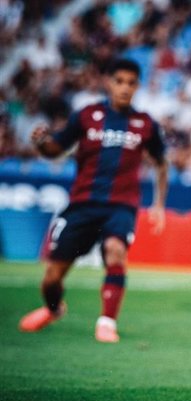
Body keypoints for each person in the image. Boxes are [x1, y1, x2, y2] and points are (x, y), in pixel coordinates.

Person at [18, 58, 168, 343]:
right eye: (119, 81)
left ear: (137, 87)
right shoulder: (86, 116)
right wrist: (40, 142)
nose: (124, 88)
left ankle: (107, 321)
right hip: (82, 205)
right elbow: (55, 149)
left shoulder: (145, 124)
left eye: (131, 83)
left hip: (121, 206)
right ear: (108, 82)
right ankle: (53, 309)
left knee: (115, 251)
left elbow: (161, 163)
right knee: (51, 277)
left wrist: (159, 204)